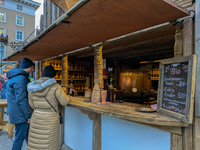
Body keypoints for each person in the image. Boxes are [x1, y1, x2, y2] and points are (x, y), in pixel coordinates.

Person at [27, 65, 70, 150]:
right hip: (50, 117)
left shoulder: (32, 86)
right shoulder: (56, 86)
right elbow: (64, 102)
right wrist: (67, 96)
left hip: (36, 116)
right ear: (53, 75)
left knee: (36, 142)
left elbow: (31, 104)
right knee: (49, 143)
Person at [6, 57, 35, 150]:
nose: (33, 70)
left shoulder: (16, 77)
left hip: (17, 113)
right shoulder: (21, 79)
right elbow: (21, 99)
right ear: (28, 67)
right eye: (32, 68)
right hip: (21, 115)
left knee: (26, 137)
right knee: (19, 139)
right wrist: (28, 116)